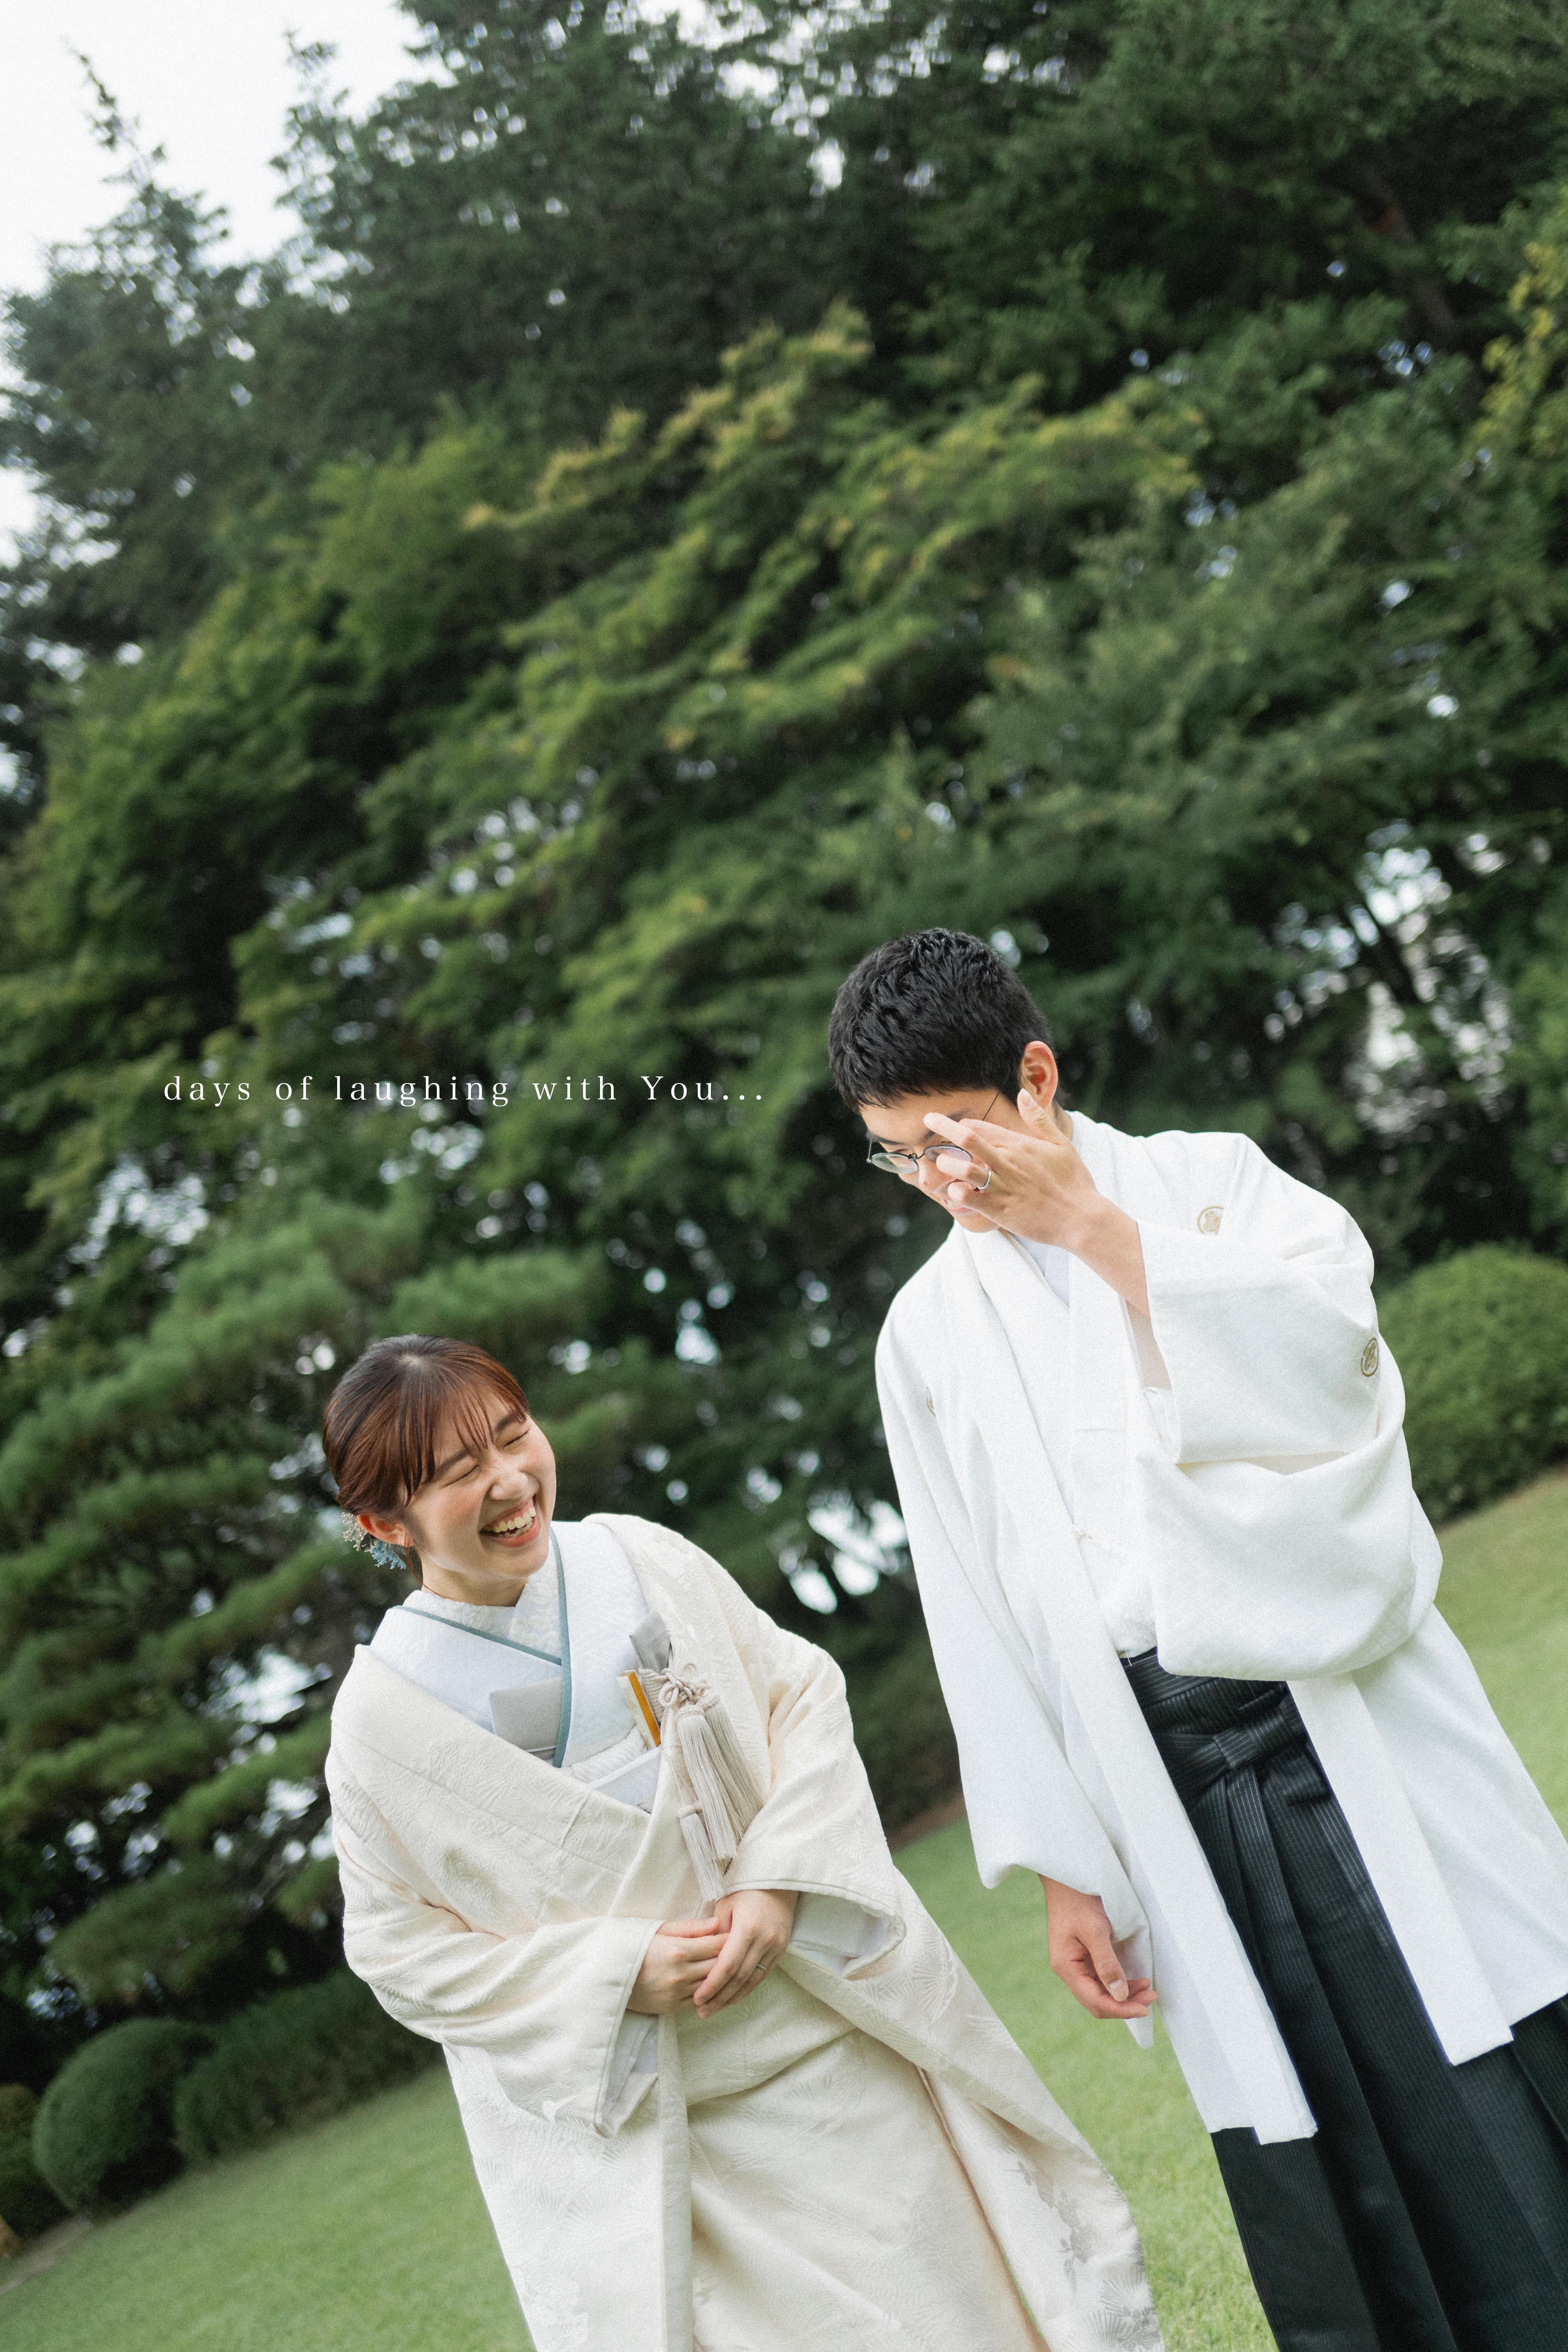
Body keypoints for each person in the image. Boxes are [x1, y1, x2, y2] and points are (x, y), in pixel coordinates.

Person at [831, 927, 1568, 2352]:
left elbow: (1339, 1381)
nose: (940, 1180)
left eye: (957, 1136)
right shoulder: (923, 1337)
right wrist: (1065, 1863)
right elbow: (978, 1611)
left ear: (1036, 1077)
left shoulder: (1213, 1186)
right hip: (1167, 1775)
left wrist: (1100, 1237)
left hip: (1344, 1711)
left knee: (1495, 2041)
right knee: (1314, 2123)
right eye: (901, 1156)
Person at [321, 1332, 1162, 2352]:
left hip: (832, 2029)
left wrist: (776, 1881)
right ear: (383, 1523)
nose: (510, 1481)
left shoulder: (639, 1560)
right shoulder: (384, 1723)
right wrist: (614, 1972)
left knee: (963, 2314)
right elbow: (400, 1952)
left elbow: (798, 1694)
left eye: (514, 1435)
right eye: (461, 1472)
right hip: (668, 2132)